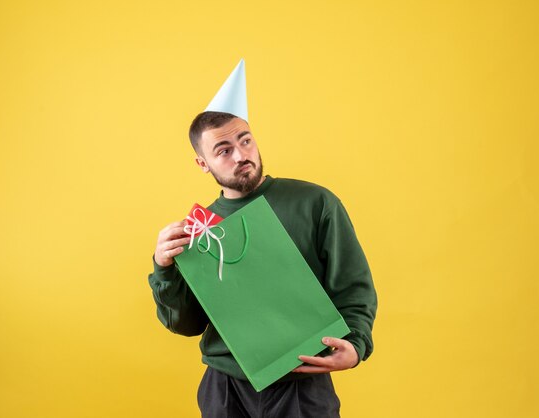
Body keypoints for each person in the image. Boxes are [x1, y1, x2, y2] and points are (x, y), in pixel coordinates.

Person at [149, 110, 377, 417]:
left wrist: (356, 344)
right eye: (224, 150)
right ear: (203, 164)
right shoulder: (201, 232)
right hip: (225, 389)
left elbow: (353, 286)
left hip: (301, 380)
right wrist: (164, 267)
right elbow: (187, 324)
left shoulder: (315, 203)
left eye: (245, 140)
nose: (241, 155)